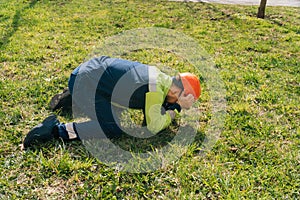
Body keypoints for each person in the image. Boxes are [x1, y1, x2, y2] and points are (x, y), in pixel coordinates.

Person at [22, 56, 201, 148]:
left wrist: (171, 105)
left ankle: (73, 97)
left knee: (117, 113)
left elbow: (150, 115)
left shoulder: (160, 79)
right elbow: (152, 126)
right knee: (112, 127)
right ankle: (54, 130)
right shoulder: (155, 88)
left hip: (90, 74)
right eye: (185, 98)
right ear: (177, 91)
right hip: (86, 82)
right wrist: (176, 108)